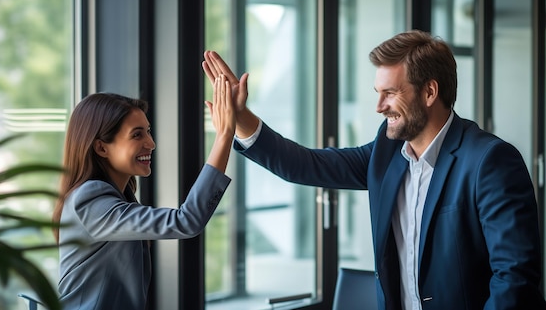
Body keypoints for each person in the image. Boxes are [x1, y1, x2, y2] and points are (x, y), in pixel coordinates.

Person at [202, 29, 546, 310]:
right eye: (377, 93)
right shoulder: (387, 152)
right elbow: (305, 165)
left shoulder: (490, 161)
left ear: (430, 91)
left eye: (390, 94)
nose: (379, 106)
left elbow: (515, 278)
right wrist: (240, 119)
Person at [52, 75, 235, 310]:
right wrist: (224, 135)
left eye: (148, 131)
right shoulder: (89, 199)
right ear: (101, 147)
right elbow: (186, 221)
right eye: (137, 134)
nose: (151, 143)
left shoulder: (119, 195)